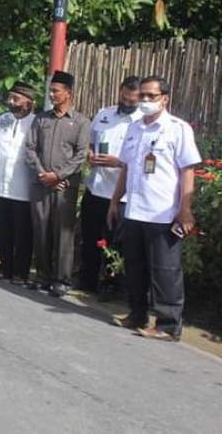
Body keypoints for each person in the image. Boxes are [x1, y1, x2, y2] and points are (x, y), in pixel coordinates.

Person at [108, 76, 201, 341]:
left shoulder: (177, 129)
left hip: (163, 213)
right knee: (135, 267)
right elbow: (126, 167)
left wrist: (185, 209)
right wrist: (115, 201)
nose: (146, 101)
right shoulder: (135, 128)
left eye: (151, 96)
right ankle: (137, 314)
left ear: (165, 99)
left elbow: (188, 170)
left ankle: (168, 325)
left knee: (165, 270)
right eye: (143, 96)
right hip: (135, 209)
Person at [25, 71, 90, 297]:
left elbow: (81, 156)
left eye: (56, 91)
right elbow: (30, 149)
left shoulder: (81, 122)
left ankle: (61, 279)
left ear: (68, 93)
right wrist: (44, 175)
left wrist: (58, 176)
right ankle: (42, 275)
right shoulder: (41, 119)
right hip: (41, 184)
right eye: (50, 90)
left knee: (63, 233)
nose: (51, 94)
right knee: (41, 229)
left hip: (64, 188)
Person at [78, 76, 141, 294]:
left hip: (121, 194)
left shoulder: (142, 122)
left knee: (115, 243)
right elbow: (91, 142)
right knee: (90, 237)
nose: (127, 102)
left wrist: (119, 162)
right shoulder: (104, 114)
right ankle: (86, 280)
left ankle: (110, 285)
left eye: (132, 100)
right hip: (96, 187)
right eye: (125, 97)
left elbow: (141, 159)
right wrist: (90, 154)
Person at [0, 81, 37, 284]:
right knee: (3, 230)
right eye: (10, 97)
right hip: (1, 185)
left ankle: (21, 272)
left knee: (23, 232)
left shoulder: (37, 123)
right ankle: (4, 268)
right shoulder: (2, 120)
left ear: (28, 103)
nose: (11, 102)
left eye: (16, 99)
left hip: (24, 187)